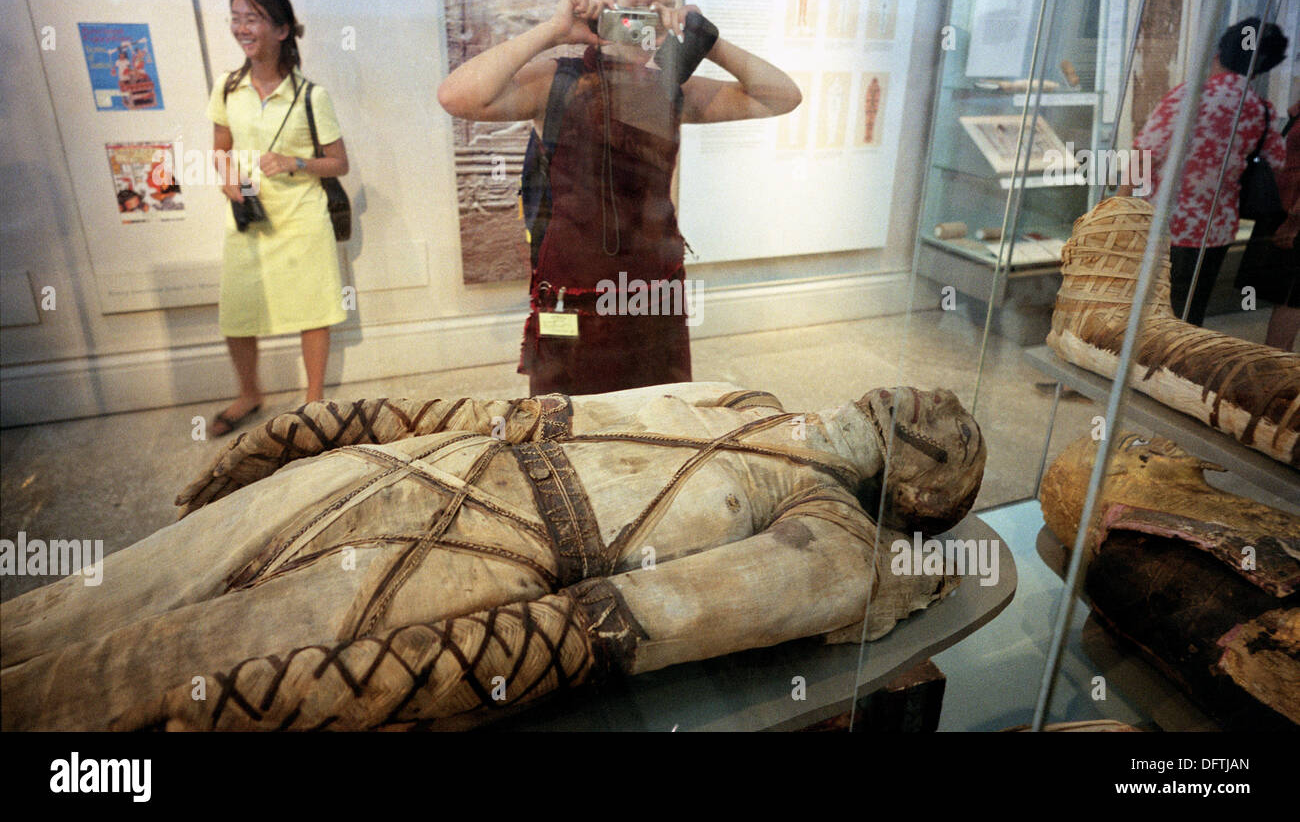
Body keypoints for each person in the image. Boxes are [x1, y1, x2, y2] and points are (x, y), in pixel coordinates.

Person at [0, 379, 985, 731]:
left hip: (468, 568)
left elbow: (618, 623)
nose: (931, 399)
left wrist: (409, 673)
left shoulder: (834, 544)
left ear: (924, 495)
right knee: (77, 602)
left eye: (950, 433)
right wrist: (358, 422)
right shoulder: (743, 398)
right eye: (934, 394)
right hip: (426, 463)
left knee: (110, 687)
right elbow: (535, 413)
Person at [439, 0, 801, 396]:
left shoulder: (671, 89)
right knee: (570, 431)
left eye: (664, 8)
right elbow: (457, 96)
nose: (652, 21)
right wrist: (554, 31)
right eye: (640, 6)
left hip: (656, 291)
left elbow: (781, 96)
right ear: (600, 2)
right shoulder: (558, 81)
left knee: (660, 424)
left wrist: (710, 42)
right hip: (573, 300)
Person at [207, 0, 349, 436]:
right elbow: (221, 148)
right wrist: (228, 178)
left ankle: (313, 401)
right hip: (250, 218)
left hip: (303, 218)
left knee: (313, 309)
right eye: (235, 18)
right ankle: (249, 393)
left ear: (282, 29)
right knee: (238, 311)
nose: (241, 29)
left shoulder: (311, 95)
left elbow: (339, 162)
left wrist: (295, 162)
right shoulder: (228, 87)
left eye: (251, 19)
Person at [1121, 18, 1286, 326]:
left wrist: (1118, 205)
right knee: (1189, 312)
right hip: (1218, 227)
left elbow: (1146, 153)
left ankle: (1144, 368)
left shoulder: (1190, 96)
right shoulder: (1260, 109)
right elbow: (1276, 161)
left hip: (1166, 224)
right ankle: (1178, 366)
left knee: (1150, 312)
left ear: (1218, 54)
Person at [1236, 100, 1300, 351]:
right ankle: (1273, 356)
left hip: (1292, 212)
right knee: (1279, 291)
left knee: (1290, 295)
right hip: (1283, 206)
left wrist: (1294, 221)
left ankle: (1275, 360)